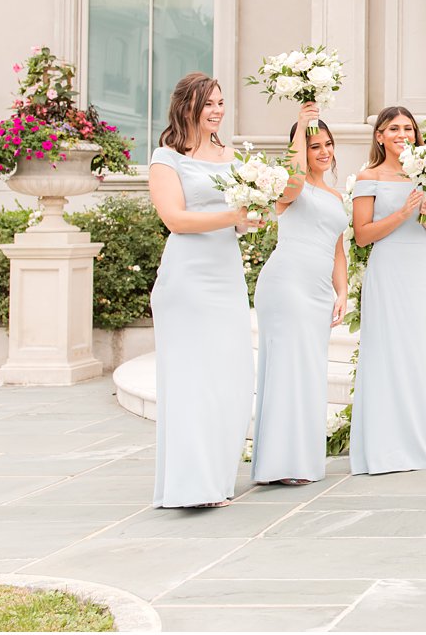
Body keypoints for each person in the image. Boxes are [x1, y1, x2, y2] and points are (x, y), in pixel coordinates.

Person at [146, 73, 255, 507]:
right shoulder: (166, 157)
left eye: (221, 103)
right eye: (209, 103)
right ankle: (192, 485)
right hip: (187, 277)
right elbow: (175, 219)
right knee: (191, 377)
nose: (217, 111)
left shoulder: (230, 156)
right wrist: (233, 216)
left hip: (225, 272)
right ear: (186, 106)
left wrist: (249, 219)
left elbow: (240, 218)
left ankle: (217, 477)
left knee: (229, 375)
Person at [348, 106, 426, 475]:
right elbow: (362, 236)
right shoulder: (369, 176)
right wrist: (404, 211)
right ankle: (385, 447)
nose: (402, 134)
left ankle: (422, 441)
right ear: (379, 135)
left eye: (408, 128)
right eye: (393, 128)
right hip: (388, 269)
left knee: (420, 350)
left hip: (420, 268)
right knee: (388, 351)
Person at [251, 104, 349, 486]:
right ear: (300, 150)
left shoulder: (336, 197)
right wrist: (301, 126)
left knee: (310, 372)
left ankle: (299, 460)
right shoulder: (290, 186)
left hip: (319, 291)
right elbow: (291, 181)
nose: (323, 151)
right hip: (286, 283)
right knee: (288, 370)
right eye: (314, 146)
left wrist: (341, 292)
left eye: (327, 144)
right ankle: (279, 463)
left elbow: (338, 250)